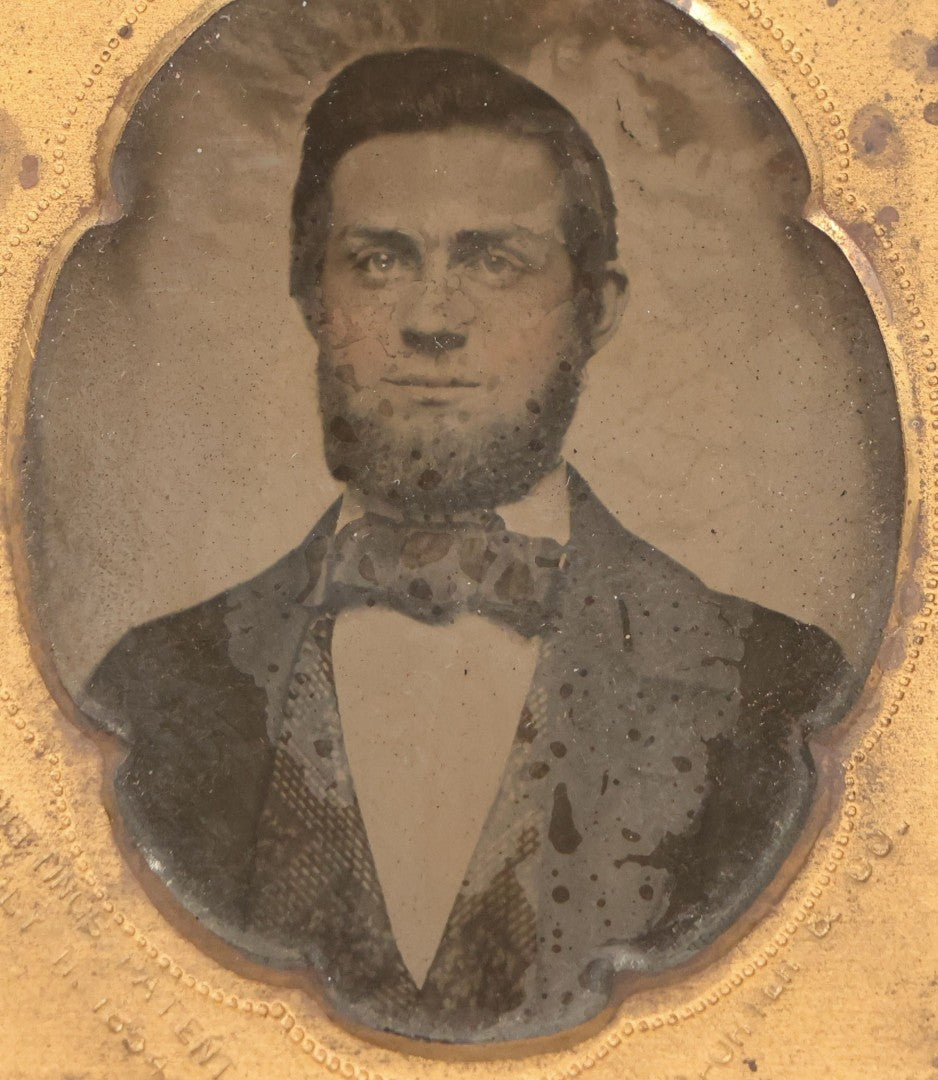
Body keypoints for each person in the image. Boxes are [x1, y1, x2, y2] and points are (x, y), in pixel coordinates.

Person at [78, 48, 857, 1044]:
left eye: (493, 260)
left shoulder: (776, 695)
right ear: (313, 298)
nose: (432, 319)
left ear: (595, 308)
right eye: (377, 260)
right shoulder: (149, 690)